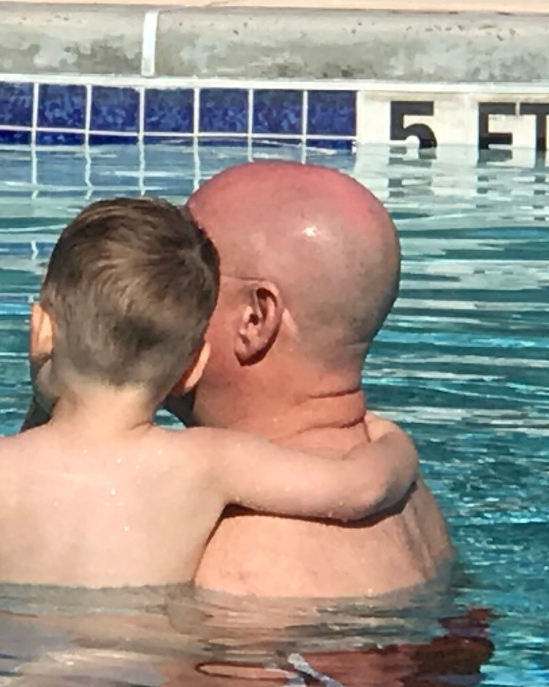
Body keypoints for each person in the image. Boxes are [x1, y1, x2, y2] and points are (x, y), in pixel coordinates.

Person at [0, 196, 420, 588]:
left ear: (41, 330)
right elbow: (358, 490)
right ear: (193, 364)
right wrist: (394, 444)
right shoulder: (210, 463)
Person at [180, 160, 454, 598]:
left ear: (255, 318)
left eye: (182, 276)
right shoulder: (405, 488)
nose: (153, 294)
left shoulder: (245, 559)